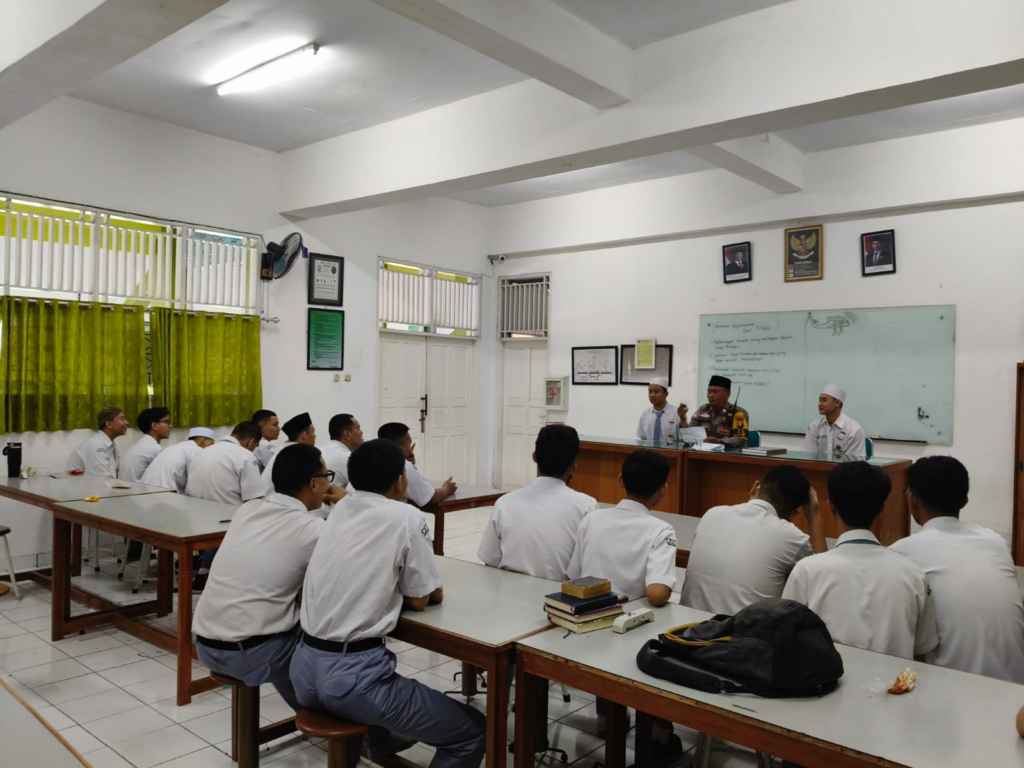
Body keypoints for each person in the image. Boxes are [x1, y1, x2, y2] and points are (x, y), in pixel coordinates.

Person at [290, 439, 486, 767]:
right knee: (473, 732)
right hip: (353, 680)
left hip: (303, 671)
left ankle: (381, 745)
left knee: (374, 704)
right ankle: (382, 741)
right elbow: (421, 599)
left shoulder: (339, 510)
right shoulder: (406, 516)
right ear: (400, 481)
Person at [194, 444, 329, 712]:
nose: (329, 485)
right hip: (252, 655)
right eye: (328, 477)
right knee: (331, 636)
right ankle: (339, 721)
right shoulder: (314, 529)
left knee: (285, 625)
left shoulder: (248, 510)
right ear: (314, 483)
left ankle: (308, 711)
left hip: (206, 647)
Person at [566, 449, 680, 764]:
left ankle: (606, 718)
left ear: (620, 480)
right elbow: (657, 594)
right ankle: (658, 733)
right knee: (666, 640)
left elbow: (573, 575)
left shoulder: (592, 519)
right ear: (663, 489)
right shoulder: (660, 529)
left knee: (606, 653)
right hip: (634, 634)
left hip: (589, 626)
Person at [783, 462, 937, 659]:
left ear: (831, 506)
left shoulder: (806, 570)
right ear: (881, 509)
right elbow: (922, 650)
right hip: (894, 679)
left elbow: (786, 639)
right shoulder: (913, 574)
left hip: (827, 678)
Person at [891, 456, 1024, 682]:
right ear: (964, 501)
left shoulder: (901, 553)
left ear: (911, 499)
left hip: (953, 690)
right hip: (1016, 688)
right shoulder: (996, 542)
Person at [680, 465, 824, 614]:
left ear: (755, 487)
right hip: (740, 628)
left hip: (686, 623)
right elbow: (822, 576)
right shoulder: (793, 537)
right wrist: (813, 515)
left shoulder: (712, 514)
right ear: (793, 514)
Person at [478, 425, 597, 581]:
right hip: (560, 595)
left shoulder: (504, 503)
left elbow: (490, 563)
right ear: (573, 468)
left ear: (534, 457)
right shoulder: (587, 507)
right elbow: (590, 568)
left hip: (507, 593)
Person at [185, 421, 264, 591]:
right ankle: (208, 573)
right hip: (224, 520)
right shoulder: (245, 456)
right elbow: (254, 498)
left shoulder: (203, 451)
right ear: (251, 441)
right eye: (255, 446)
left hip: (195, 515)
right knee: (260, 518)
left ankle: (204, 568)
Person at [377, 422, 456, 507]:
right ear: (402, 447)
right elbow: (430, 498)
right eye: (409, 443)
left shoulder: (373, 460)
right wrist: (446, 489)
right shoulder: (403, 466)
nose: (411, 449)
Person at [141, 427, 215, 494]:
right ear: (203, 440)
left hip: (144, 490)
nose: (212, 447)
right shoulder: (196, 451)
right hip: (163, 494)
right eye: (211, 443)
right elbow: (195, 486)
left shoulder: (177, 447)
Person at [260, 413, 318, 495]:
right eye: (313, 432)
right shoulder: (295, 453)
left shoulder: (288, 448)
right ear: (304, 435)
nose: (315, 436)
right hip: (271, 499)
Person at [686, 375, 751, 447]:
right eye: (709, 392)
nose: (711, 395)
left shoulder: (738, 413)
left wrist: (720, 442)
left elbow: (740, 438)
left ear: (727, 394)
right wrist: (683, 419)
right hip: (704, 452)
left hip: (730, 453)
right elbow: (690, 433)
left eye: (715, 392)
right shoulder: (703, 410)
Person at [802, 385, 866, 458]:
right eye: (820, 400)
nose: (820, 404)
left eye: (824, 400)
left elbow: (854, 462)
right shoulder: (814, 427)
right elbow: (808, 456)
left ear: (837, 403)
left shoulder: (854, 430)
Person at [67, 406, 129, 477]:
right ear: (109, 424)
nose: (126, 422)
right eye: (122, 419)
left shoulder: (112, 446)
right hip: (80, 484)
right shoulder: (96, 446)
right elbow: (102, 480)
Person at [118, 407, 171, 482]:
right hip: (138, 488)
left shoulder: (143, 444)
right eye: (166, 422)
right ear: (154, 425)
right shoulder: (154, 449)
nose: (170, 426)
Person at [636, 377, 688, 446]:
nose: (652, 395)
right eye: (650, 392)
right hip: (649, 451)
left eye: (656, 392)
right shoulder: (645, 414)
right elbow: (642, 439)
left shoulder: (676, 413)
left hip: (670, 451)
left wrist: (683, 419)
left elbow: (684, 439)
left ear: (666, 394)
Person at [320, 413, 364, 488]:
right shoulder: (350, 459)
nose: (361, 432)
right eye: (358, 428)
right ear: (347, 434)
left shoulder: (318, 451)